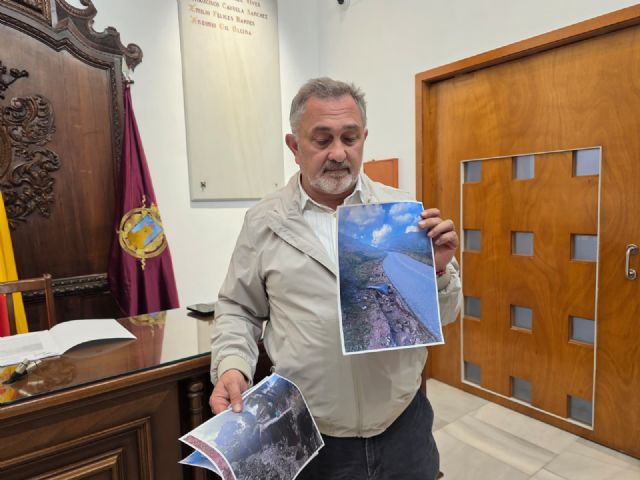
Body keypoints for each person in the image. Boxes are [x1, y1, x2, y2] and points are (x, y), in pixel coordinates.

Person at [209, 77, 462, 479]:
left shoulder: (402, 213)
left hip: (403, 425)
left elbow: (444, 316)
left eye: (350, 137)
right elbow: (238, 308)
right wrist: (232, 366)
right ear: (295, 146)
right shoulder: (264, 222)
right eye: (322, 139)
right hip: (311, 433)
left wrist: (439, 272)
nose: (339, 153)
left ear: (364, 139)